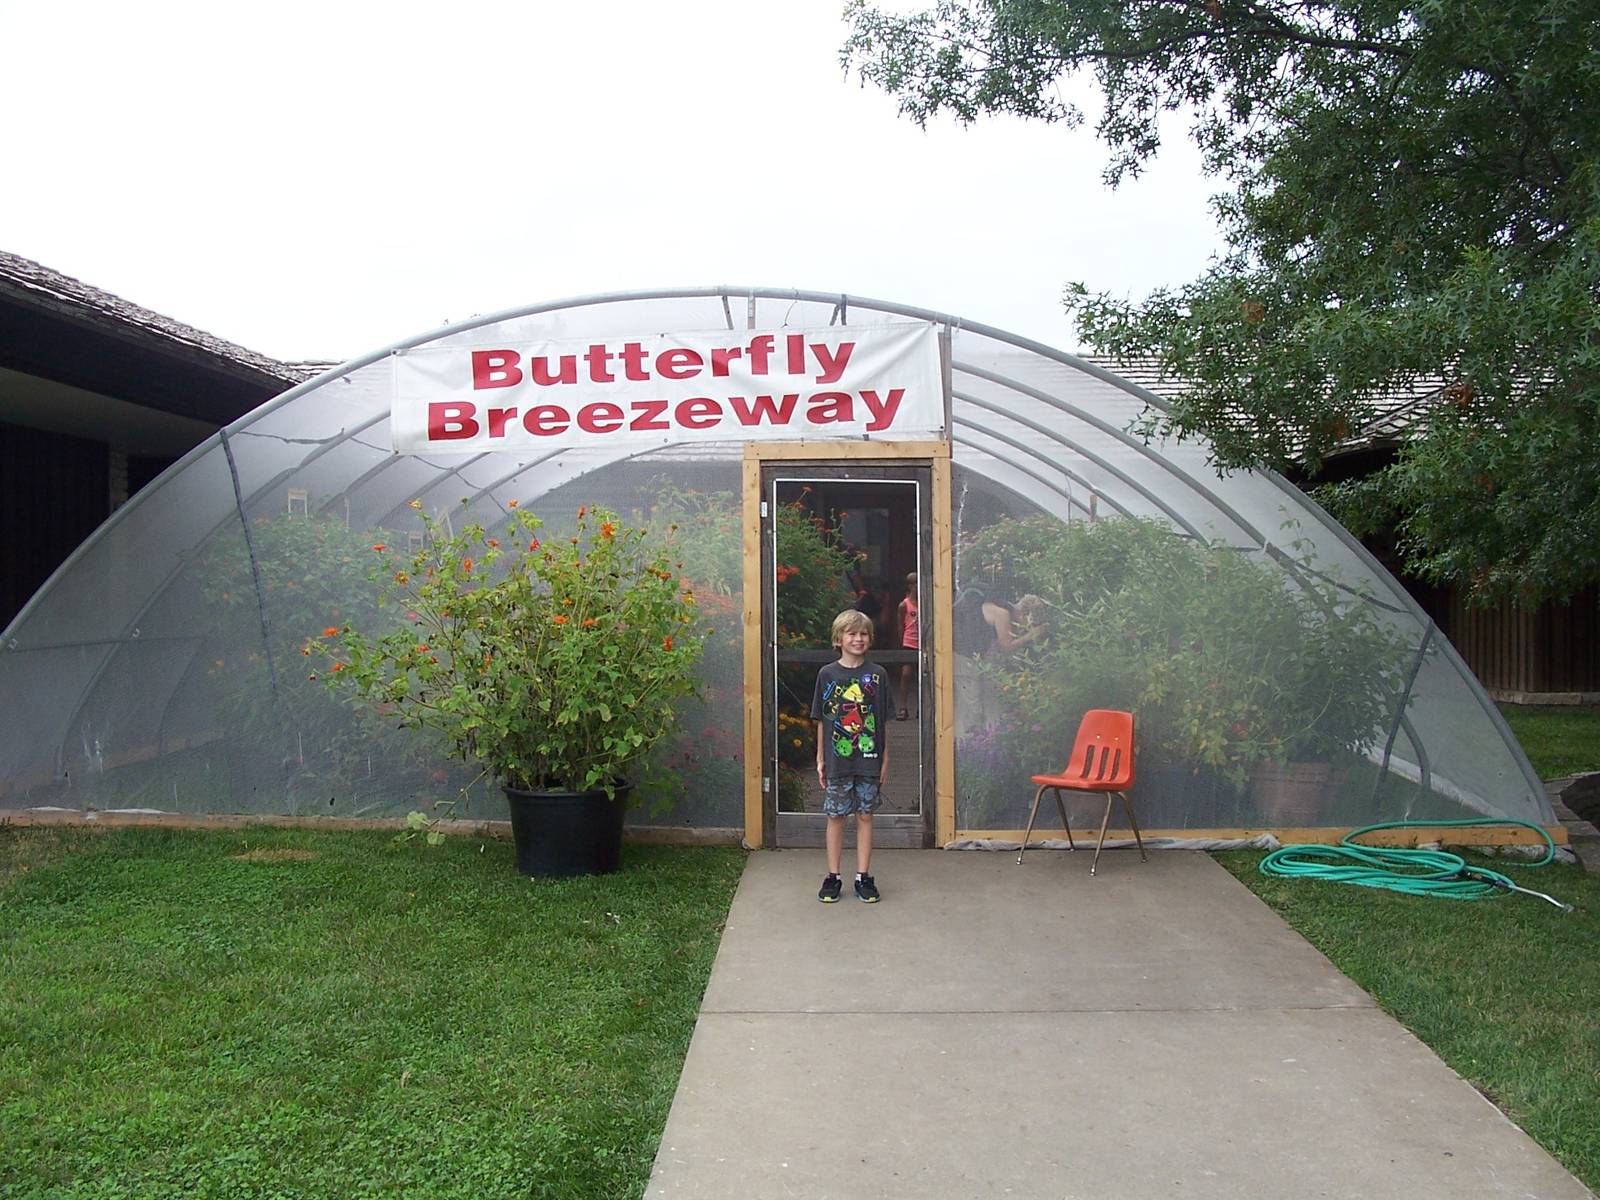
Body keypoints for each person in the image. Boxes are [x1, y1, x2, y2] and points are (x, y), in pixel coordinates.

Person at [811, 609, 894, 904]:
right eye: (851, 633)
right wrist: (821, 758)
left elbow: (883, 720)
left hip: (869, 758)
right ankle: (833, 876)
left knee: (865, 815)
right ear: (839, 639)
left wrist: (885, 759)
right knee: (836, 816)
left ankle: (863, 876)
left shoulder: (878, 675)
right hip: (837, 761)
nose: (858, 639)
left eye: (863, 634)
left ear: (870, 638)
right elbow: (821, 718)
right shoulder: (827, 675)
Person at [895, 570, 919, 720]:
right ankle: (903, 707)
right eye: (914, 583)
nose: (917, 586)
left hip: (922, 642)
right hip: (909, 642)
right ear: (909, 586)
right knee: (906, 674)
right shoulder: (904, 605)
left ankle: (921, 707)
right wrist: (901, 643)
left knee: (922, 676)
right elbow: (900, 625)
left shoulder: (925, 602)